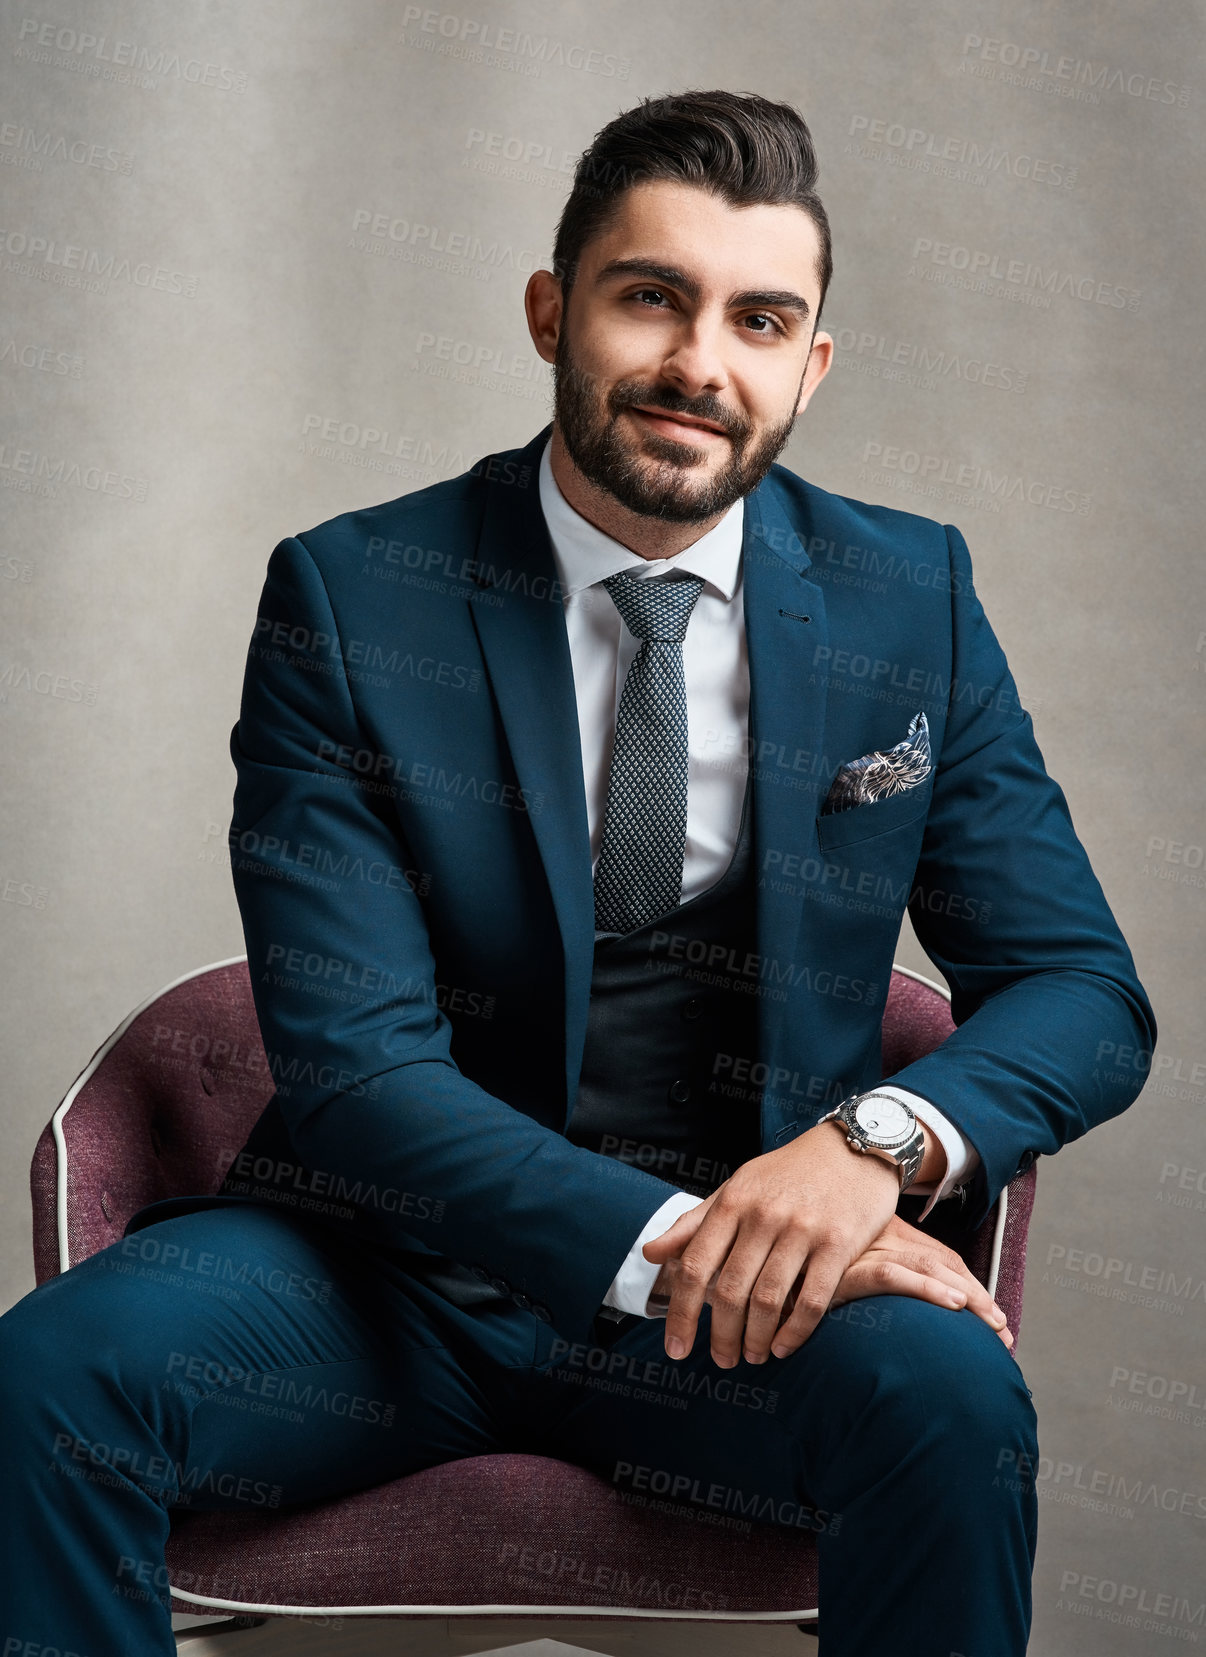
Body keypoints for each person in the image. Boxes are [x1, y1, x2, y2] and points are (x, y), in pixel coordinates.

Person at [0, 90, 1155, 1656]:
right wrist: (677, 1236)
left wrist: (862, 1149)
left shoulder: (910, 598)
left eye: (759, 319)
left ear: (808, 365)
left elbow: (1082, 990)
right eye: (649, 296)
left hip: (750, 1314)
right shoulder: (355, 594)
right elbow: (352, 1071)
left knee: (951, 1402)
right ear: (554, 309)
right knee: (49, 1381)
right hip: (381, 1272)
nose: (699, 362)